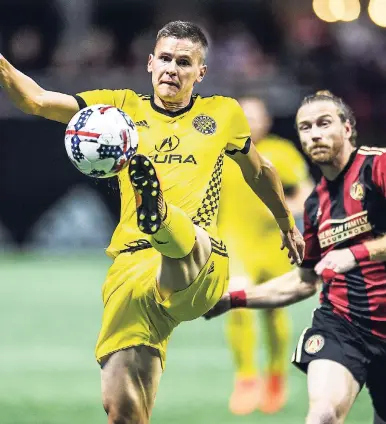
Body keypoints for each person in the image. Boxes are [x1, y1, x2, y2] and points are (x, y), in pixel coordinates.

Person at [0, 21, 304, 424]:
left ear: (201, 72)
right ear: (149, 63)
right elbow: (36, 100)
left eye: (184, 62)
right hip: (131, 270)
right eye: (165, 58)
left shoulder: (223, 114)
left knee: (179, 236)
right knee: (123, 408)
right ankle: (156, 217)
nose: (172, 69)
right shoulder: (119, 108)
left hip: (202, 262)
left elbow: (260, 171)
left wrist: (287, 222)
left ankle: (157, 214)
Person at [205, 90, 386, 424]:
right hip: (343, 326)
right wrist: (232, 300)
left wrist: (357, 253)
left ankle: (273, 377)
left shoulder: (378, 166)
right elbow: (304, 282)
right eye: (305, 127)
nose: (314, 133)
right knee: (322, 415)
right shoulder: (317, 206)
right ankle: (248, 379)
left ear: (347, 128)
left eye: (324, 123)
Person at [218, 96, 313, 415]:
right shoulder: (220, 152)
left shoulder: (280, 152)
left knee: (274, 313)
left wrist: (287, 211)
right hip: (234, 246)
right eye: (244, 116)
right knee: (237, 307)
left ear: (267, 121)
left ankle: (275, 378)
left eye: (256, 116)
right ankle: (245, 379)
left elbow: (306, 191)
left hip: (274, 247)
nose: (250, 122)